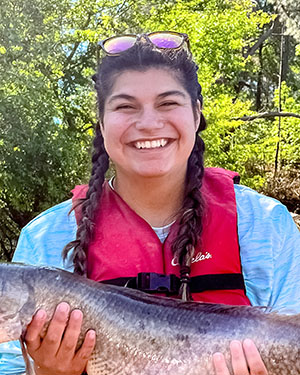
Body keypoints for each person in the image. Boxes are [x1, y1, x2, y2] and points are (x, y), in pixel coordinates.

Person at [0, 31, 300, 375]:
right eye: (125, 106)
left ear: (196, 113)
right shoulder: (43, 240)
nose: (148, 123)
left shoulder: (266, 225)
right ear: (101, 122)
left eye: (168, 103)